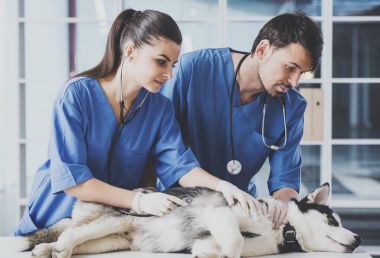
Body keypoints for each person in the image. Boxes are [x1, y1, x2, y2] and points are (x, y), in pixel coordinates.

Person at [15, 9, 259, 236]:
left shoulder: (160, 109)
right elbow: (73, 181)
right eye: (161, 61)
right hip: (50, 225)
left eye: (172, 65)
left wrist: (223, 186)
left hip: (100, 231)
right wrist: (138, 201)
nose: (169, 74)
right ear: (130, 51)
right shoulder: (76, 95)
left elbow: (181, 167)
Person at [159, 11, 323, 229]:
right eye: (290, 67)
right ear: (263, 49)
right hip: (177, 207)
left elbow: (285, 179)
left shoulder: (291, 107)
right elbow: (164, 150)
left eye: (302, 73)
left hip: (239, 211)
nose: (294, 81)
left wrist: (282, 204)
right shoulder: (193, 70)